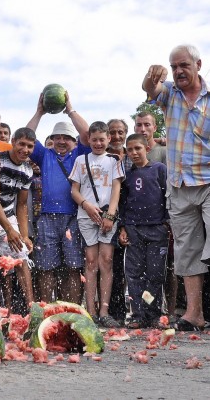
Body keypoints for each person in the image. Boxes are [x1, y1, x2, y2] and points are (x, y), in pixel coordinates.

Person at [142, 44, 209, 331]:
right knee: (187, 251)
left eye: (184, 65)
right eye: (174, 67)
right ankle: (194, 314)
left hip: (208, 182)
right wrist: (150, 77)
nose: (179, 71)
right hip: (179, 185)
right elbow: (149, 89)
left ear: (198, 65)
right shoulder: (170, 94)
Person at [26, 92, 90, 303]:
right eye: (57, 137)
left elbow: (87, 132)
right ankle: (47, 309)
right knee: (45, 267)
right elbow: (26, 136)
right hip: (47, 218)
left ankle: (72, 309)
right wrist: (39, 112)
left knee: (73, 267)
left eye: (66, 138)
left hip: (73, 217)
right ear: (52, 140)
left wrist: (70, 109)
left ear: (74, 140)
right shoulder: (46, 155)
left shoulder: (80, 154)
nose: (61, 141)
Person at [70, 121, 124, 327]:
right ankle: (90, 311)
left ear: (108, 139)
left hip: (107, 214)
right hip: (86, 215)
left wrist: (111, 214)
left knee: (107, 260)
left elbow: (116, 188)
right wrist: (86, 206)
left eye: (102, 139)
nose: (98, 143)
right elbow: (74, 190)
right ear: (88, 140)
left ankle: (104, 310)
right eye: (94, 140)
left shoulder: (114, 160)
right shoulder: (81, 160)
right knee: (91, 261)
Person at [119, 134, 168, 328]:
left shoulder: (159, 169)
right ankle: (137, 314)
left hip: (157, 228)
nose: (134, 153)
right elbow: (122, 202)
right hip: (133, 229)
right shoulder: (126, 173)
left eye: (137, 148)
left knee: (155, 274)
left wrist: (166, 222)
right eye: (130, 150)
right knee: (134, 274)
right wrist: (123, 226)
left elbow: (167, 195)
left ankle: (153, 312)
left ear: (147, 148)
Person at [0, 127, 35, 311]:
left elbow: (21, 205)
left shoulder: (27, 171)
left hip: (8, 215)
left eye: (30, 146)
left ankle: (31, 308)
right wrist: (9, 230)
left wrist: (23, 235)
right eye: (21, 144)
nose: (25, 149)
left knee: (20, 258)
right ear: (13, 141)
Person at [106, 118, 132, 325]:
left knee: (128, 268)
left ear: (126, 133)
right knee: (109, 265)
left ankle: (135, 311)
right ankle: (112, 311)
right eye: (112, 132)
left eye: (120, 132)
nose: (116, 136)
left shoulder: (133, 155)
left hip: (130, 217)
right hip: (105, 217)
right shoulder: (100, 157)